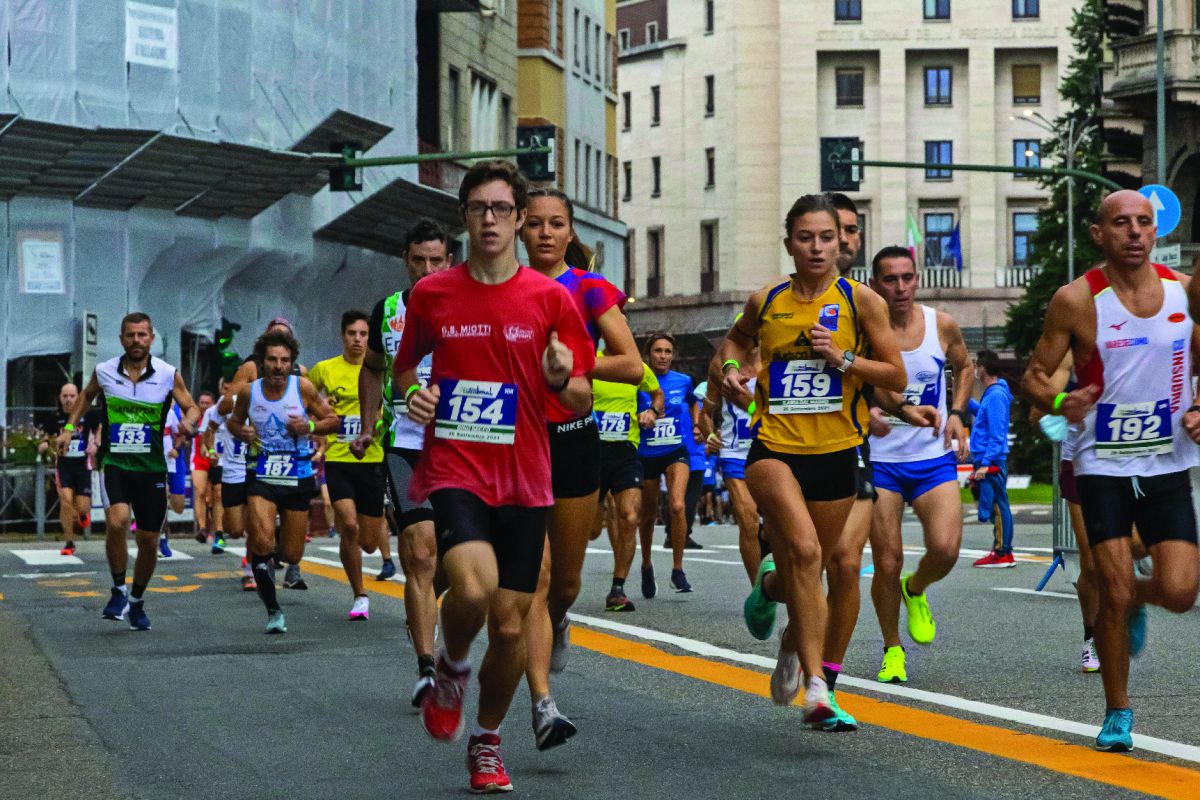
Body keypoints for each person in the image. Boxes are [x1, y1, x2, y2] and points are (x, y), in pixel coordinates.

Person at [395, 160, 595, 793]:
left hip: (526, 476)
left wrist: (563, 379)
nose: (490, 219)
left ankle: (485, 740)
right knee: (473, 593)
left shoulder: (550, 299)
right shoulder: (432, 295)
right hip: (455, 466)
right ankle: (452, 665)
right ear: (464, 217)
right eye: (478, 208)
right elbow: (405, 372)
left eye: (501, 209)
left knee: (510, 626)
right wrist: (414, 399)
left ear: (514, 218)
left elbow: (583, 399)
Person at [1022, 189, 1200, 752]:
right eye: (1120, 223)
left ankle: (1138, 598)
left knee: (1179, 591)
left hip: (1168, 461)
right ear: (1099, 233)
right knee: (1113, 591)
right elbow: (1034, 376)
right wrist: (1058, 405)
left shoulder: (1184, 292)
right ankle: (1118, 711)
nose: (1133, 233)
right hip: (1102, 467)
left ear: (1156, 232)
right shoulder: (1076, 300)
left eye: (1143, 223)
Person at [717, 193, 905, 725]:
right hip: (773, 447)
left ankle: (774, 602)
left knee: (810, 567)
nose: (818, 247)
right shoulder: (767, 299)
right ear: (789, 244)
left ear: (840, 242)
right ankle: (818, 685)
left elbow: (896, 376)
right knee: (801, 550)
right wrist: (733, 368)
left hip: (837, 451)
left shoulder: (861, 301)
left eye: (827, 237)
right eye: (806, 238)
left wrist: (844, 358)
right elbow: (733, 343)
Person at [517, 187, 643, 751]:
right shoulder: (499, 289)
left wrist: (564, 369)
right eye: (536, 223)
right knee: (536, 580)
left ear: (571, 233)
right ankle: (543, 704)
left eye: (556, 224)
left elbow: (634, 366)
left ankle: (561, 620)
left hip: (571, 438)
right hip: (514, 443)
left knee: (564, 583)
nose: (545, 233)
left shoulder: (588, 287)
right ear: (520, 228)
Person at [863, 247, 973, 688]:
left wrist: (958, 413)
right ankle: (892, 649)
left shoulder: (940, 325)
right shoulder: (865, 330)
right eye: (890, 279)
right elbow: (853, 379)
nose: (900, 288)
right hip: (881, 460)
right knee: (886, 562)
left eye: (907, 278)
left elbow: (964, 367)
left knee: (945, 548)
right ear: (874, 285)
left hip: (931, 457)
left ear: (917, 279)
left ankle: (917, 588)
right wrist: (868, 409)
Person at [353, 217, 452, 706]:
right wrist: (369, 426)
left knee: (453, 565)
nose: (428, 270)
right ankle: (426, 667)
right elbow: (372, 370)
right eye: (419, 261)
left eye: (437, 260)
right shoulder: (386, 310)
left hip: (465, 446)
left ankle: (431, 612)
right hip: (406, 446)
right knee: (419, 551)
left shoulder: (471, 305)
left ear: (450, 261)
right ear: (406, 260)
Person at [57, 312, 200, 631]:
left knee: (148, 540)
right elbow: (85, 397)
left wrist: (188, 422)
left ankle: (136, 599)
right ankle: (118, 589)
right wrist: (69, 428)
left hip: (151, 468)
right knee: (117, 521)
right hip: (116, 464)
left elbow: (191, 405)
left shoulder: (167, 374)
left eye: (142, 335)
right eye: (130, 335)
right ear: (122, 339)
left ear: (151, 339)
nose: (136, 340)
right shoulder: (105, 371)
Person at [227, 330, 337, 634]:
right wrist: (242, 432)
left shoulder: (302, 388)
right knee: (261, 541)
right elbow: (233, 421)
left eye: (284, 361)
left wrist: (310, 425)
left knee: (291, 554)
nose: (278, 366)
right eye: (272, 360)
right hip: (261, 473)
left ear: (291, 363)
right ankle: (273, 609)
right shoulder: (250, 392)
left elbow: (333, 420)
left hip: (297, 475)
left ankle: (270, 554)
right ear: (262, 363)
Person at [221, 317, 312, 590]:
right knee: (252, 521)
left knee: (290, 544)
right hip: (259, 456)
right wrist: (249, 402)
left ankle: (289, 563)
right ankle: (253, 566)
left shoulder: (300, 372)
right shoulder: (250, 368)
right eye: (274, 338)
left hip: (294, 459)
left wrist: (308, 425)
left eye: (285, 341)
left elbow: (314, 408)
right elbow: (227, 405)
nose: (278, 363)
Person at [309, 310, 387, 621]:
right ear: (343, 335)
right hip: (340, 458)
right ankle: (360, 595)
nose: (358, 339)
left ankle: (359, 555)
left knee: (368, 542)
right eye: (352, 333)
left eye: (364, 334)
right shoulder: (324, 369)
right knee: (349, 524)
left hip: (374, 459)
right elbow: (302, 396)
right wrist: (319, 423)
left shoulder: (383, 369)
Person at [595, 356, 664, 610]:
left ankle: (618, 588)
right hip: (593, 451)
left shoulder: (636, 366)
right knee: (591, 528)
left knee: (630, 516)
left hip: (626, 451)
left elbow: (657, 393)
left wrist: (652, 411)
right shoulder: (592, 360)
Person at [638, 333, 700, 596]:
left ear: (673, 355)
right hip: (647, 452)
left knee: (677, 505)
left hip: (676, 448)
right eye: (657, 351)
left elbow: (694, 402)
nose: (663, 356)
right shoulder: (638, 382)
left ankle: (678, 569)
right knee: (649, 513)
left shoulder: (684, 381)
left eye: (667, 351)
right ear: (648, 354)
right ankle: (647, 564)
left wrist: (696, 425)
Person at [698, 333, 760, 583]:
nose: (752, 339)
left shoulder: (777, 358)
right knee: (748, 520)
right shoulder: (719, 365)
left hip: (773, 450)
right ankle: (759, 591)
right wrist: (710, 433)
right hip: (735, 452)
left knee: (779, 526)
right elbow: (705, 414)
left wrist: (751, 406)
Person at [39, 383, 100, 556]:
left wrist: (95, 444)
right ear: (60, 397)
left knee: (82, 507)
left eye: (72, 396)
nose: (68, 400)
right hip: (64, 465)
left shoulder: (89, 414)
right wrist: (44, 443)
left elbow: (100, 429)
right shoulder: (55, 417)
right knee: (65, 501)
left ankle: (82, 515)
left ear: (78, 396)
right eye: (65, 396)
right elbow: (46, 435)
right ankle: (69, 542)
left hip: (83, 465)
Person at [203, 387, 254, 587]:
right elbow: (210, 430)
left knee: (255, 522)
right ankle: (222, 532)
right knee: (235, 529)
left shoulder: (269, 398)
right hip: (231, 469)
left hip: (257, 469)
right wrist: (211, 450)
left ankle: (251, 568)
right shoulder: (228, 403)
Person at [969, 350, 1015, 567]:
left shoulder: (995, 395)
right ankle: (1001, 549)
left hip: (991, 460)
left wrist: (986, 463)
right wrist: (965, 400)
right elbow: (984, 416)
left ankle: (1002, 552)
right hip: (988, 458)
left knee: (997, 505)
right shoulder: (993, 394)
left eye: (976, 365)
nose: (975, 369)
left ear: (983, 368)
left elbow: (997, 433)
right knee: (996, 504)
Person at [190, 391, 217, 546]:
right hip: (199, 459)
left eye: (207, 403)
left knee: (212, 499)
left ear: (212, 403)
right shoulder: (196, 417)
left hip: (214, 459)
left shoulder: (216, 415)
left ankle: (213, 529)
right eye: (202, 402)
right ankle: (201, 528)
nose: (204, 406)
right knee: (199, 492)